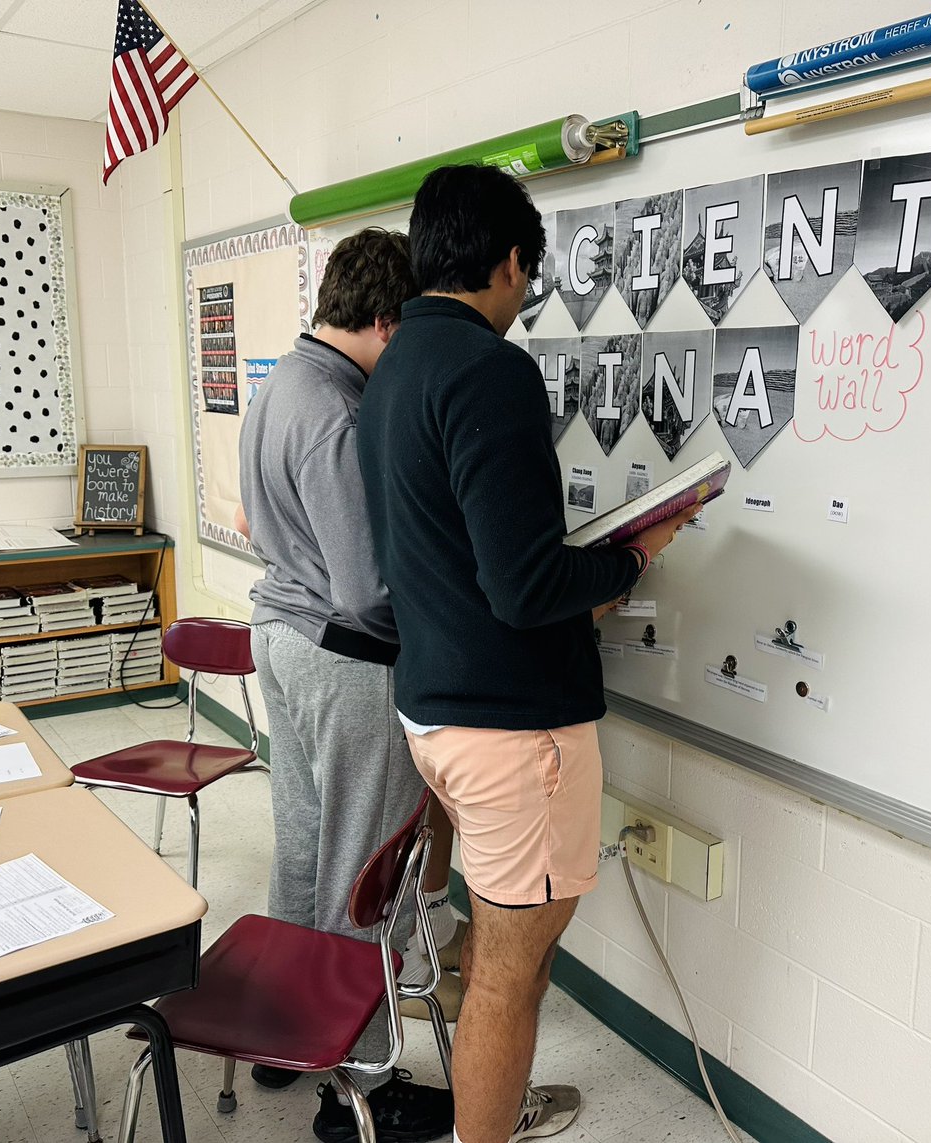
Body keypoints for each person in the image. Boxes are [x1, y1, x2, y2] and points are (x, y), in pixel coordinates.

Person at [355, 165, 696, 1143]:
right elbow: (524, 586)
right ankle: (485, 1125)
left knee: (509, 951)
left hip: (438, 707)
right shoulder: (489, 369)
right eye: (528, 275)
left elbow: (456, 554)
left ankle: (492, 1108)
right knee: (509, 971)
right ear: (510, 263)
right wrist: (633, 556)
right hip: (510, 731)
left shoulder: (392, 369)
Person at [238, 227, 458, 1143]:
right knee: (366, 871)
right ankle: (361, 1081)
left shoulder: (281, 382)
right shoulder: (336, 409)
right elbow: (368, 590)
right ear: (386, 321)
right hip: (343, 656)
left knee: (304, 846)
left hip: (282, 636)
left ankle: (285, 1034)